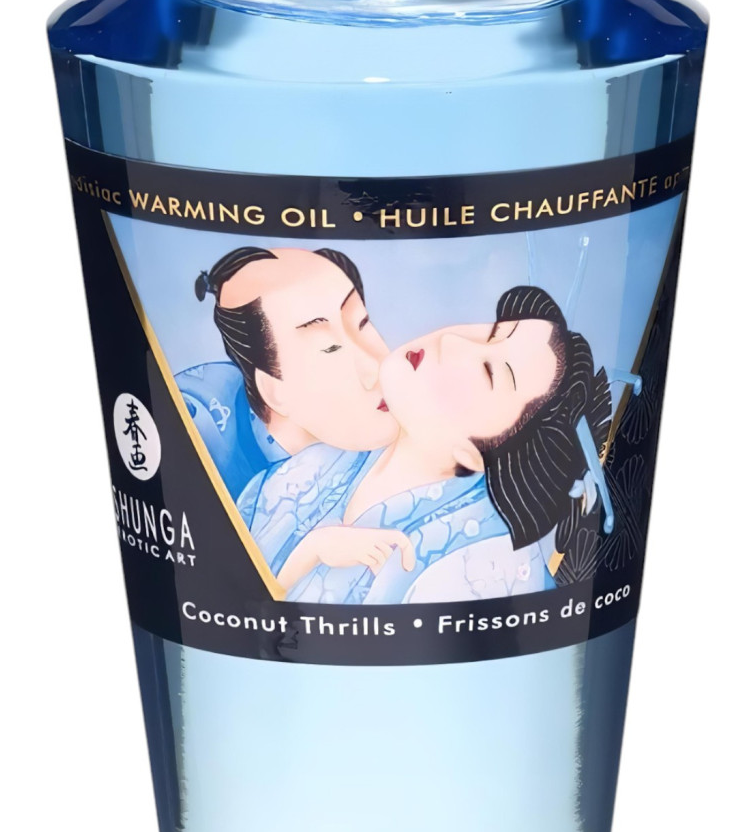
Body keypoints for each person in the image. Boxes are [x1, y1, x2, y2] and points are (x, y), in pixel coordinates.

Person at [245, 286, 611, 604]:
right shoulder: (333, 455)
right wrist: (312, 551)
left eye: (489, 371)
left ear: (482, 454)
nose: (451, 341)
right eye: (491, 332)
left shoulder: (479, 566)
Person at [181, 246, 398, 501]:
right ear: (273, 390)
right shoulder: (199, 427)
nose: (376, 369)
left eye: (362, 323)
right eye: (330, 348)